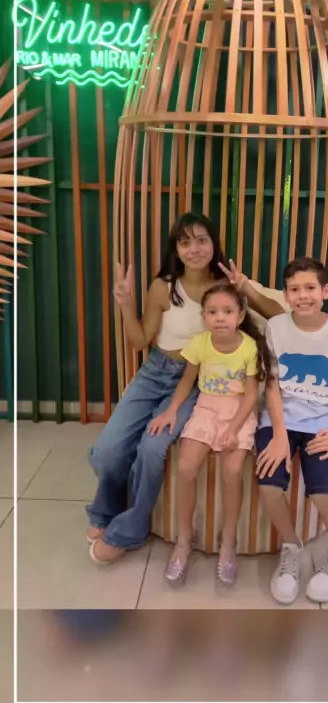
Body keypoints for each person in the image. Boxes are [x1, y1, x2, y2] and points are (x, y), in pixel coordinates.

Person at [86, 212, 283, 564]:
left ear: (214, 244)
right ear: (175, 249)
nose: (194, 249)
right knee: (106, 452)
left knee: (151, 450)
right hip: (154, 372)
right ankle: (105, 509)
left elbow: (279, 316)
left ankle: (127, 531)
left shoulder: (225, 287)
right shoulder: (163, 287)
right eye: (184, 242)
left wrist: (246, 288)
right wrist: (126, 306)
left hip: (195, 381)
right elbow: (140, 340)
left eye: (201, 240)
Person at [255, 256, 328, 605]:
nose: (302, 295)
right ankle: (291, 547)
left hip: (320, 424)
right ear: (285, 295)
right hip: (279, 419)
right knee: (268, 485)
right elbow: (272, 384)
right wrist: (278, 434)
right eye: (294, 289)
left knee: (322, 493)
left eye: (310, 288)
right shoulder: (276, 327)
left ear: (325, 291)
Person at [148, 284, 271, 586]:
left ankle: (228, 540)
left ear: (240, 316)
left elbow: (251, 394)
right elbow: (187, 381)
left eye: (227, 311)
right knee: (186, 466)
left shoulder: (249, 347)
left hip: (239, 411)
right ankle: (184, 538)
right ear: (203, 317)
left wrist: (233, 428)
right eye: (212, 312)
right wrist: (172, 410)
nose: (220, 318)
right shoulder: (200, 343)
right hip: (206, 407)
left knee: (232, 470)